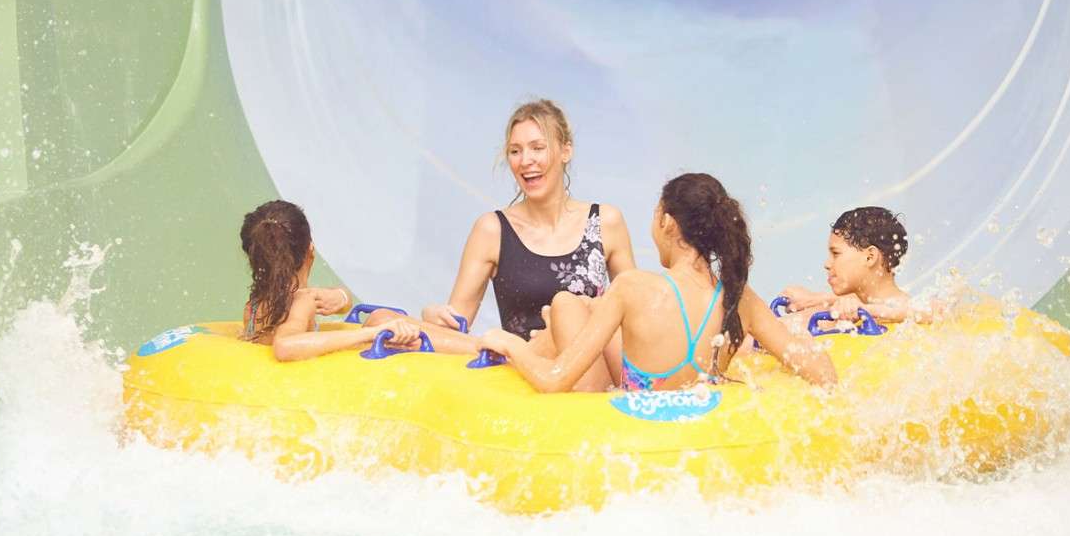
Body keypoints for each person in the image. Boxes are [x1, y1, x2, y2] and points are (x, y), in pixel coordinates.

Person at [480, 173, 837, 392]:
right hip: (695, 426)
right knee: (570, 306)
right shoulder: (738, 297)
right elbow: (822, 373)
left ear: (667, 222)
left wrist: (510, 344)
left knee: (564, 306)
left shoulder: (633, 288)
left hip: (633, 436)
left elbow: (555, 380)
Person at [420, 99, 636, 390]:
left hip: (594, 389)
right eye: (515, 151)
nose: (526, 160)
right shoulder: (492, 230)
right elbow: (457, 326)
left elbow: (633, 320)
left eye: (538, 147)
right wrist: (433, 319)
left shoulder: (606, 222)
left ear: (565, 151)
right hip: (524, 387)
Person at [240, 200, 475, 361]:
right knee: (380, 319)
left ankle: (454, 334)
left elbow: (338, 304)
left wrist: (341, 297)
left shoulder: (253, 307)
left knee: (378, 319)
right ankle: (478, 347)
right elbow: (285, 346)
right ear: (310, 250)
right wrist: (372, 334)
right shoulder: (302, 302)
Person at [781, 206, 932, 325]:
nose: (827, 264)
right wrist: (816, 299)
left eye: (836, 254)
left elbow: (941, 310)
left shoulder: (915, 310)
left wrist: (866, 310)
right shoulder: (842, 311)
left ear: (870, 257)